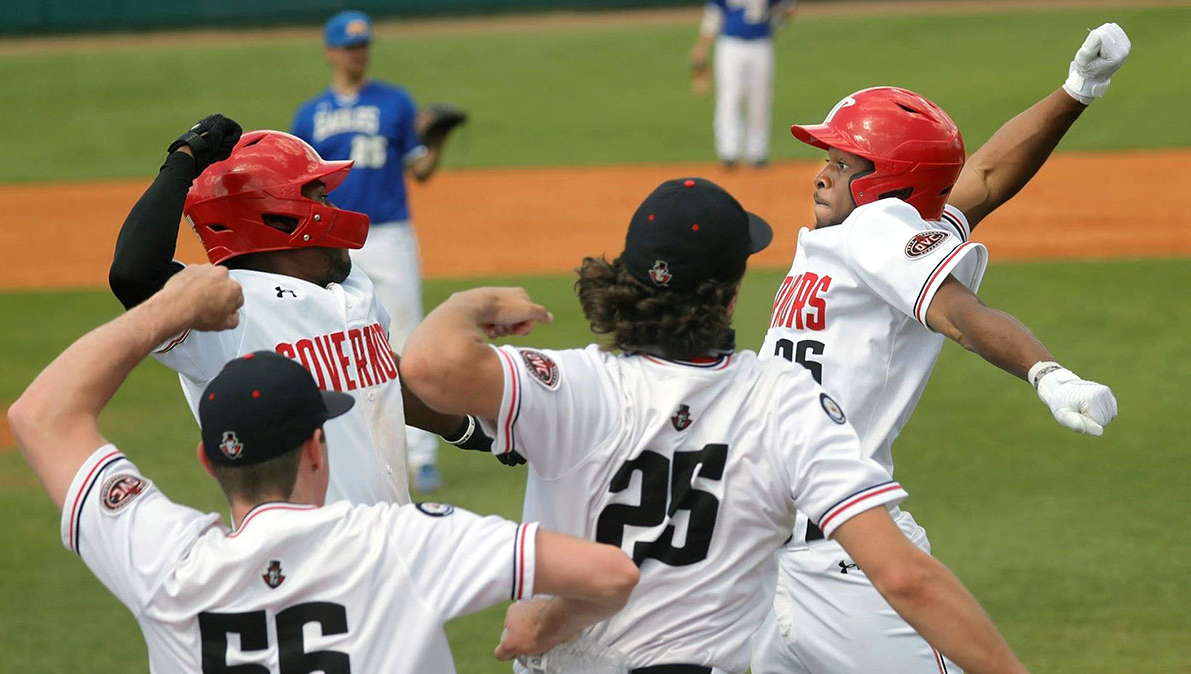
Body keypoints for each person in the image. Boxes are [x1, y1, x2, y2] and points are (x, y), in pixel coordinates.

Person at [401, 177, 1031, 674]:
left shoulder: (570, 387)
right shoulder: (784, 402)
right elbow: (904, 577)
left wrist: (471, 304)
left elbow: (428, 367)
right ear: (730, 295)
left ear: (628, 278)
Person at [8, 264, 637, 673]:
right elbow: (610, 574)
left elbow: (42, 415)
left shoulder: (163, 565)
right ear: (318, 447)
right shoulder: (404, 543)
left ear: (207, 458)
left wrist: (166, 311)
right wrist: (546, 622)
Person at [749, 22, 1130, 674]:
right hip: (793, 563)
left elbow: (960, 313)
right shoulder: (868, 235)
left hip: (823, 562)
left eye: (841, 164)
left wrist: (1046, 371)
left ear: (884, 185)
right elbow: (980, 179)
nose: (820, 175)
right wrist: (1075, 90)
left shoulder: (875, 232)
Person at [108, 117, 512, 509]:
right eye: (319, 194)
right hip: (304, 559)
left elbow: (380, 377)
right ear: (279, 215)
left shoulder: (354, 286)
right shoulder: (222, 307)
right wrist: (182, 159)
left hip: (392, 550)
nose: (335, 206)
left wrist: (474, 428)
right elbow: (133, 274)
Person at [291, 10, 463, 492]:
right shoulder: (310, 114)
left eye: (363, 44)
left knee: (406, 336)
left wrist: (439, 139)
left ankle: (422, 455)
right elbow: (302, 184)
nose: (357, 53)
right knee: (327, 338)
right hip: (332, 240)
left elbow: (421, 170)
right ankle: (338, 442)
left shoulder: (396, 102)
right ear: (329, 52)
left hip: (389, 236)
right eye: (348, 46)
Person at [690, 0, 796, 168]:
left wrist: (775, 25)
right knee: (729, 98)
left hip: (761, 44)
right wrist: (701, 47)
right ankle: (728, 152)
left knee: (760, 100)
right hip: (730, 45)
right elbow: (713, 16)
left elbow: (788, 8)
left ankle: (757, 152)